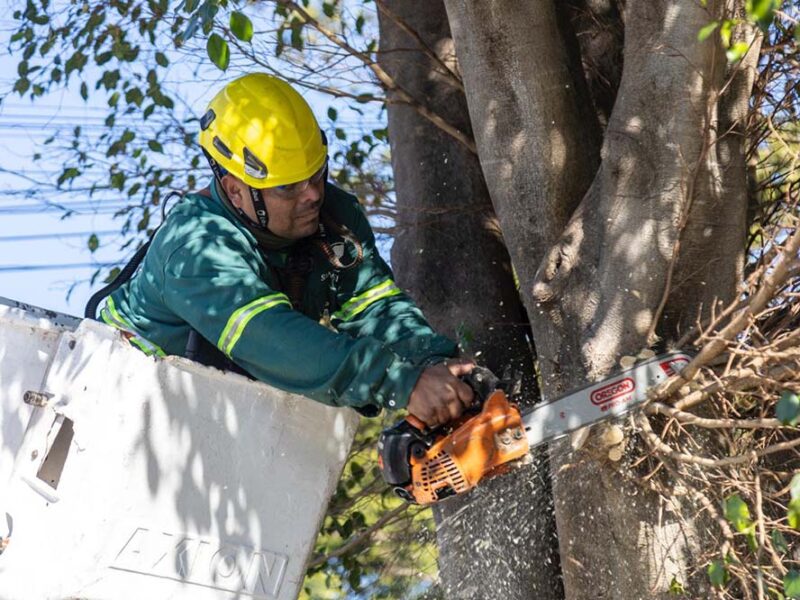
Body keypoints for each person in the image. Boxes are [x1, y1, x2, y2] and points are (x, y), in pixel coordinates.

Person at [97, 72, 473, 428]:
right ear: (234, 191)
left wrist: (432, 364)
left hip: (229, 401)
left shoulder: (335, 219)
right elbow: (269, 336)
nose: (311, 195)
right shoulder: (195, 246)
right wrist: (399, 382)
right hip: (129, 400)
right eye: (287, 188)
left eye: (315, 174)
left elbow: (374, 306)